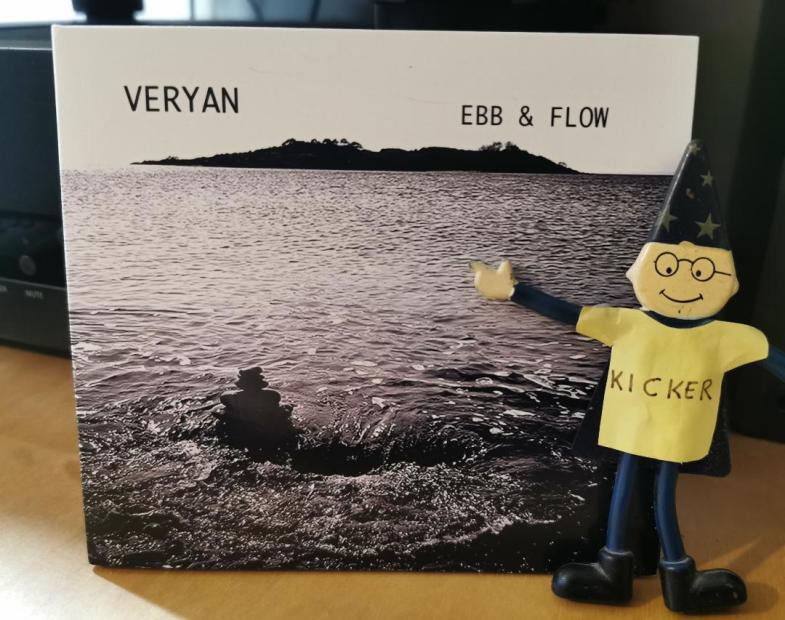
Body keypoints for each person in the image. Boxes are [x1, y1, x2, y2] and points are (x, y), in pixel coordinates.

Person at [471, 140, 785, 613]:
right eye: (668, 267)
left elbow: (773, 358)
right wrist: (514, 291)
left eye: (702, 272)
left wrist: (515, 292)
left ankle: (669, 573)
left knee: (661, 494)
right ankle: (622, 569)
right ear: (641, 270)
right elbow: (570, 313)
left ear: (727, 280)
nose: (684, 281)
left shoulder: (724, 336)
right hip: (635, 428)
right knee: (632, 486)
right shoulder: (629, 323)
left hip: (672, 433)